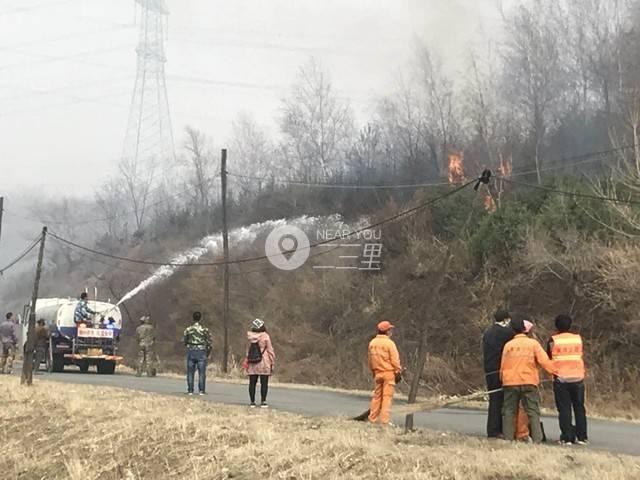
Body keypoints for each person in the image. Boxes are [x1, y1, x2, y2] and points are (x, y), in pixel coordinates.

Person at [500, 317, 556, 443]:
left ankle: (508, 439)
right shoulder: (533, 344)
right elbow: (545, 361)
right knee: (533, 411)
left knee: (509, 411)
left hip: (510, 382)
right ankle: (537, 439)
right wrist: (554, 373)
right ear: (525, 330)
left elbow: (503, 365)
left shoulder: (508, 346)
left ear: (512, 330)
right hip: (529, 381)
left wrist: (502, 380)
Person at [547, 314, 588, 445]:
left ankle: (567, 437)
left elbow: (548, 358)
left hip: (561, 379)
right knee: (579, 408)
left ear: (556, 326)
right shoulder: (578, 339)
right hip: (578, 378)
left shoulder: (553, 340)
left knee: (564, 409)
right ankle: (582, 437)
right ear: (570, 325)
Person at [482, 309, 514, 438]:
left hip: (489, 369)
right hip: (501, 369)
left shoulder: (488, 332)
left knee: (493, 399)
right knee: (502, 400)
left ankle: (492, 429)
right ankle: (498, 429)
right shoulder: (507, 333)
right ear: (506, 319)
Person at [367, 320, 402, 425]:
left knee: (377, 397)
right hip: (388, 374)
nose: (391, 331)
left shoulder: (372, 343)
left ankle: (372, 419)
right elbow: (395, 360)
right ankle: (384, 422)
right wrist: (398, 371)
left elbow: (370, 360)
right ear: (387, 331)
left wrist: (373, 371)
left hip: (377, 373)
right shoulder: (390, 344)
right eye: (390, 329)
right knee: (387, 398)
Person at [244, 318, 275, 408]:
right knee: (264, 383)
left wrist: (247, 359)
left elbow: (247, 350)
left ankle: (252, 402)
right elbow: (270, 350)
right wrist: (272, 361)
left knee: (252, 383)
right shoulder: (265, 336)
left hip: (252, 361)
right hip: (264, 361)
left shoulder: (249, 336)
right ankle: (263, 401)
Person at [183, 311, 212, 395]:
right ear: (200, 318)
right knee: (202, 372)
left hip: (191, 350)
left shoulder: (188, 329)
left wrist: (188, 344)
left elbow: (185, 340)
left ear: (193, 318)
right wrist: (208, 350)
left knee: (190, 372)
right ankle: (201, 390)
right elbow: (209, 341)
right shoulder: (204, 329)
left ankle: (190, 390)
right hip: (201, 351)